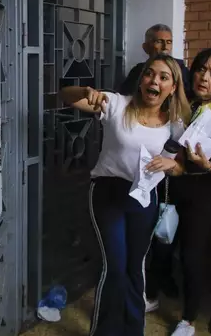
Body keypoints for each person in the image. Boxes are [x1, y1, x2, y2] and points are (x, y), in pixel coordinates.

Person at [60, 54, 191, 335]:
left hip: (145, 197)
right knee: (115, 267)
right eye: (149, 74)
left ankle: (133, 330)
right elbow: (67, 97)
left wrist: (172, 165)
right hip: (108, 192)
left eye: (163, 77)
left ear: (172, 87)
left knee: (135, 267)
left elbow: (180, 167)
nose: (154, 81)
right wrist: (84, 91)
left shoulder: (176, 123)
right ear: (141, 78)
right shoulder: (117, 104)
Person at [145, 48, 211, 336]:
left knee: (191, 255)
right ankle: (151, 297)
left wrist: (210, 165)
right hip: (171, 186)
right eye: (201, 69)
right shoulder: (180, 103)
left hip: (205, 194)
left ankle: (188, 319)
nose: (205, 76)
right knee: (161, 245)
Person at [118, 24, 190, 96]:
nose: (165, 47)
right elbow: (125, 97)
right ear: (145, 47)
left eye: (169, 42)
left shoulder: (180, 68)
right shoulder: (138, 71)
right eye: (159, 41)